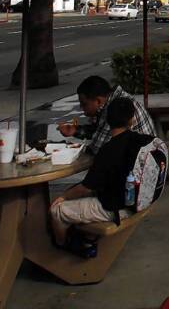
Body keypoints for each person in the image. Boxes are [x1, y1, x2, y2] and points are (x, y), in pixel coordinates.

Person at [49, 97, 154, 254]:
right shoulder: (144, 140)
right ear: (131, 120)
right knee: (78, 197)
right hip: (141, 198)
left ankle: (62, 248)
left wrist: (64, 196)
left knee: (56, 209)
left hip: (117, 208)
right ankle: (88, 239)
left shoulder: (108, 150)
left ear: (107, 121)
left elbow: (86, 187)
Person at [57, 75, 155, 154]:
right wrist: (75, 130)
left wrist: (70, 151)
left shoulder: (115, 108)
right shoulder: (115, 99)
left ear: (98, 101)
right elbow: (100, 132)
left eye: (84, 104)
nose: (81, 108)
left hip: (140, 168)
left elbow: (97, 149)